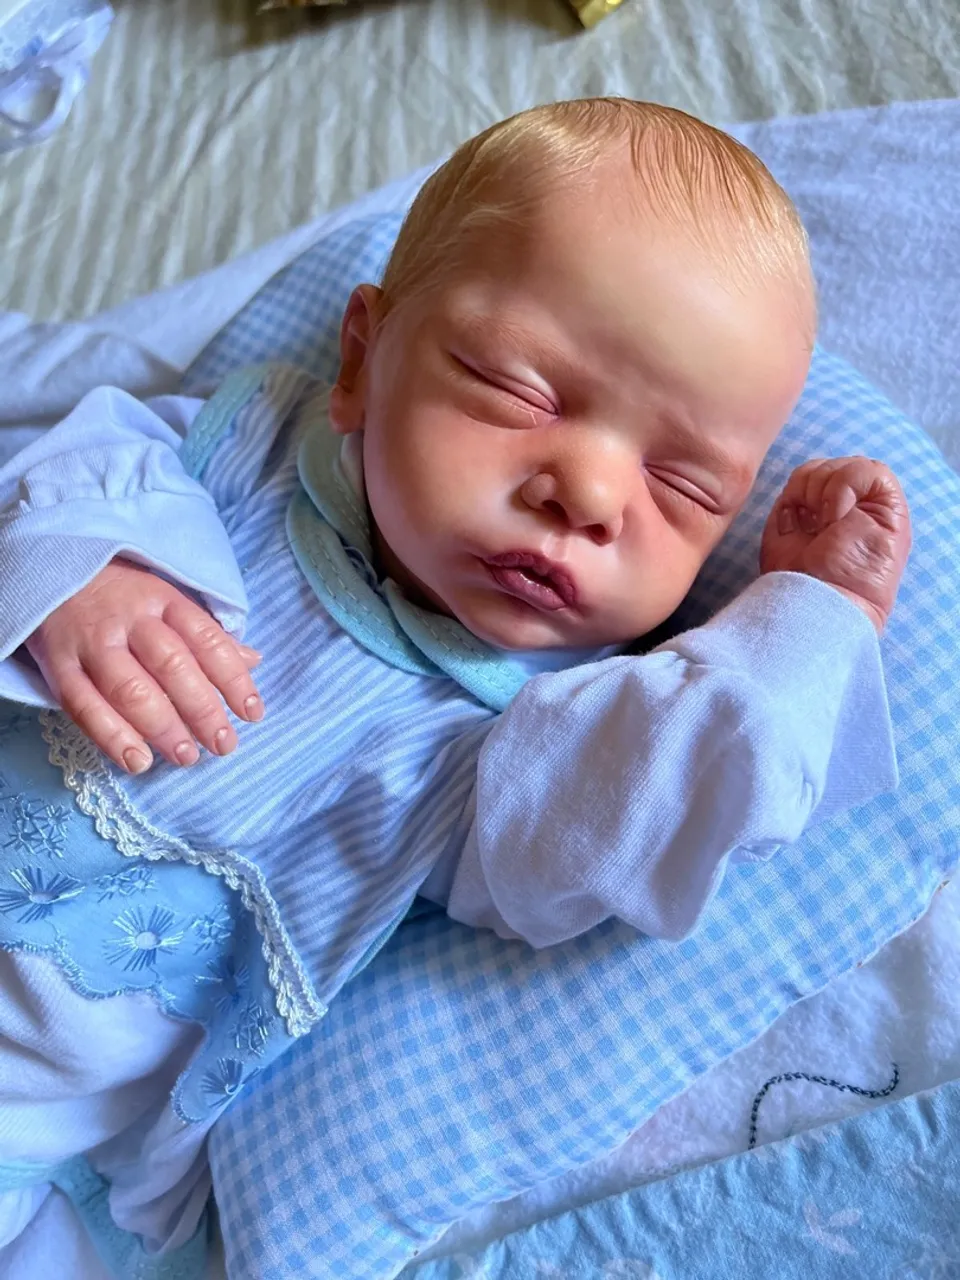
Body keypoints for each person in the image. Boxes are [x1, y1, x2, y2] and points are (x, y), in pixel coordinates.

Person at [0, 98, 909, 1259]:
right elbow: (58, 470)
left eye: (683, 487)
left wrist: (812, 619)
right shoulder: (242, 450)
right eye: (520, 391)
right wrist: (86, 569)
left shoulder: (525, 740)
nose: (587, 492)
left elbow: (659, 805)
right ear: (361, 361)